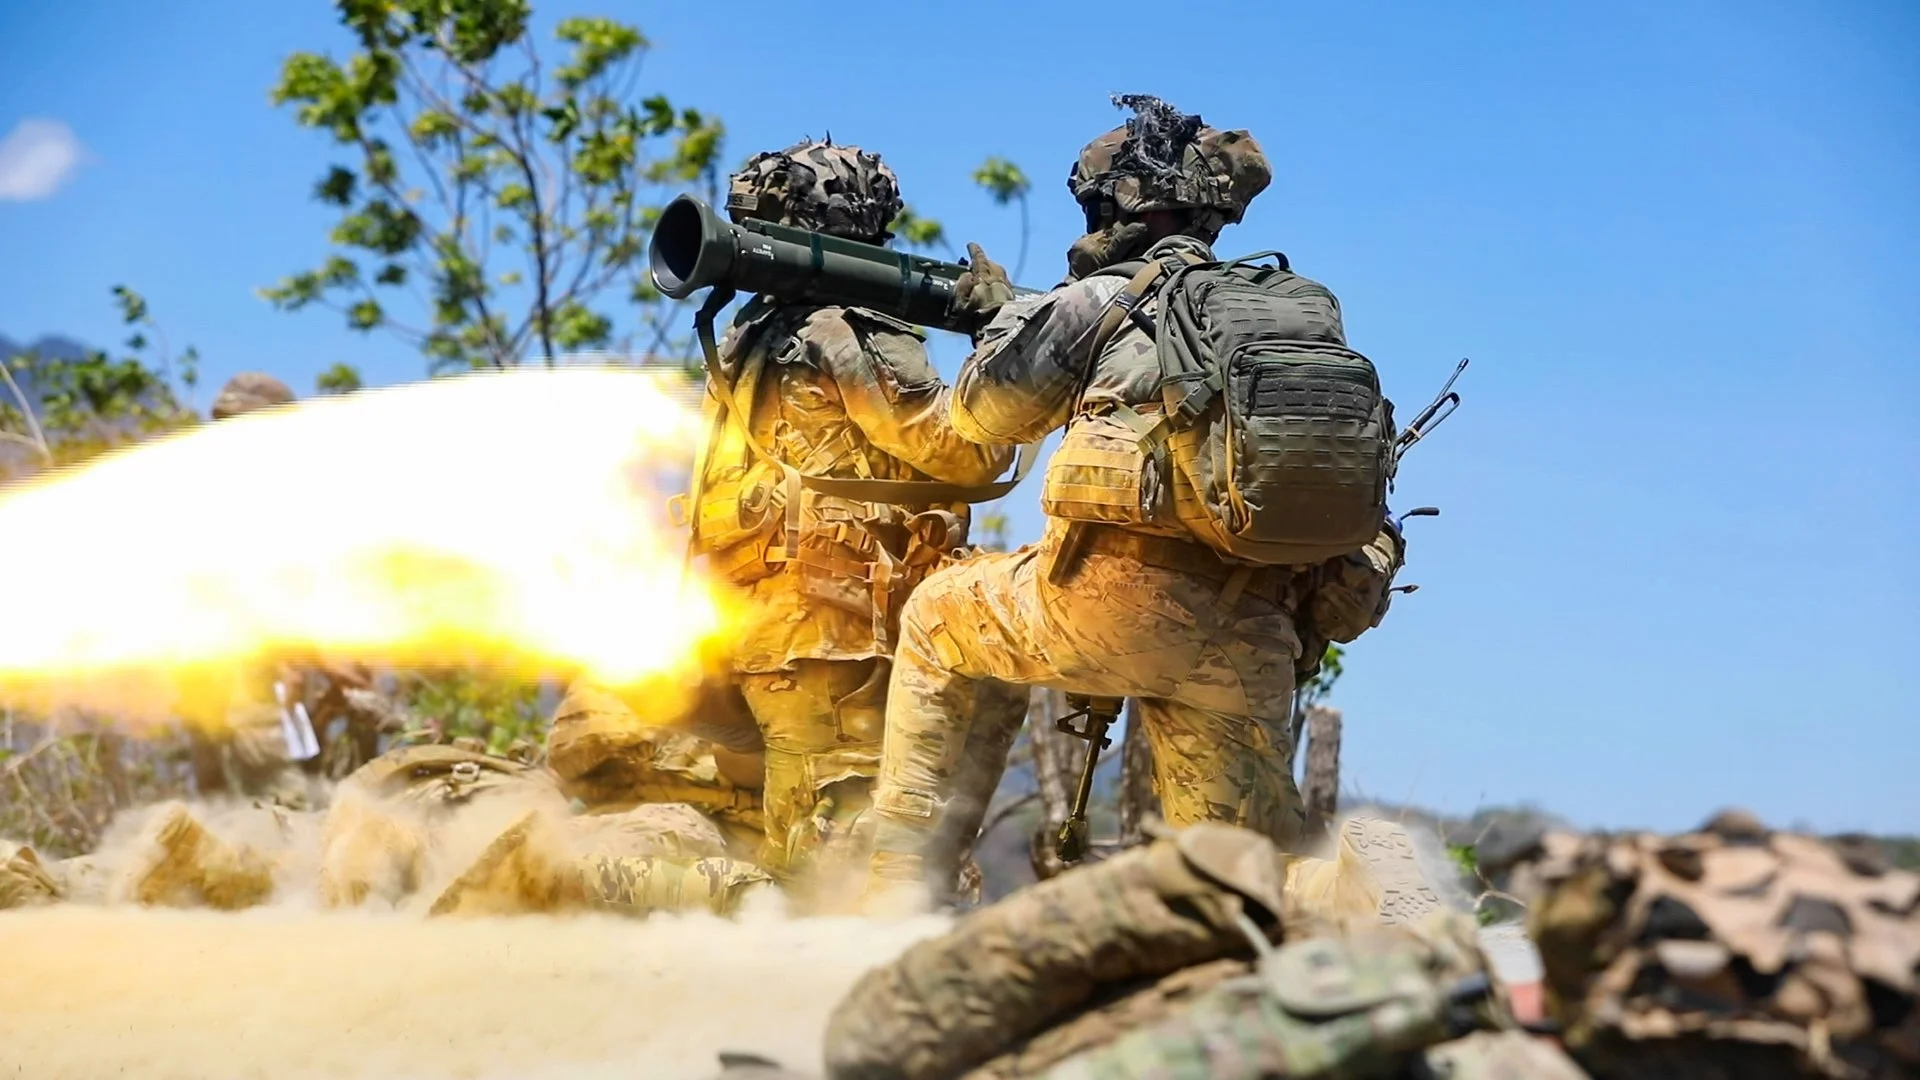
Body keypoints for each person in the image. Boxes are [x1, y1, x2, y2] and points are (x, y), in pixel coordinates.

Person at [863, 96, 1408, 902]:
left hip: (1107, 601)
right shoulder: (1295, 314)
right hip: (1253, 628)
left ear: (1121, 205)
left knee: (938, 615)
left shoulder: (1100, 300)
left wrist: (1001, 321)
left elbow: (983, 417)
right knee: (1244, 876)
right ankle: (1366, 895)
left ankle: (895, 885)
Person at [683, 139, 1028, 897]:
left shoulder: (751, 336)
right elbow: (960, 453)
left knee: (810, 846)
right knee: (842, 858)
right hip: (840, 635)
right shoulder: (848, 334)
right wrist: (1007, 342)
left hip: (768, 628)